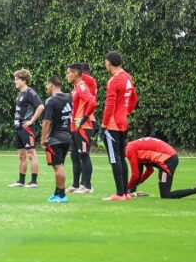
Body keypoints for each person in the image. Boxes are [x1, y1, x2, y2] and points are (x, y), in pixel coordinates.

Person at [101, 51, 139, 201]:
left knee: (114, 157)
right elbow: (134, 99)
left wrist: (103, 125)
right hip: (123, 121)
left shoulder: (114, 80)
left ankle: (119, 194)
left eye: (105, 63)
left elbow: (109, 105)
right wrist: (126, 112)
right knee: (121, 157)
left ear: (109, 63)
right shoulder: (127, 77)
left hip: (113, 124)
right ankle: (126, 193)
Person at [126, 138, 196, 200]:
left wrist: (125, 190)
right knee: (165, 194)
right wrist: (133, 189)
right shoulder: (133, 147)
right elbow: (149, 170)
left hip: (167, 160)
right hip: (169, 157)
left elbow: (135, 174)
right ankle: (130, 192)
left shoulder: (129, 149)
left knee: (166, 195)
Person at [9, 69, 44, 188]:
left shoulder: (30, 92)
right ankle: (21, 181)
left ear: (24, 80)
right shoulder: (20, 94)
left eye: (17, 79)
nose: (15, 81)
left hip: (27, 128)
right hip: (18, 128)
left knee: (31, 154)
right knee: (22, 155)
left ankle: (33, 182)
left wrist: (32, 121)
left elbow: (40, 107)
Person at [40, 76, 72, 203]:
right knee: (59, 166)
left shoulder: (51, 101)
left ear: (51, 85)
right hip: (67, 137)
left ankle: (62, 195)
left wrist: (43, 139)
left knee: (58, 167)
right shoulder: (69, 97)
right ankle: (57, 193)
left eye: (47, 85)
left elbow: (46, 121)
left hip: (55, 139)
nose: (47, 88)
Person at [65, 63, 97, 194]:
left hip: (83, 127)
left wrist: (84, 118)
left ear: (75, 73)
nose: (67, 76)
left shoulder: (82, 86)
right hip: (75, 128)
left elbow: (92, 102)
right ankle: (76, 184)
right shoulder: (76, 87)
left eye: (68, 73)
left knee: (84, 155)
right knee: (74, 156)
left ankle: (87, 186)